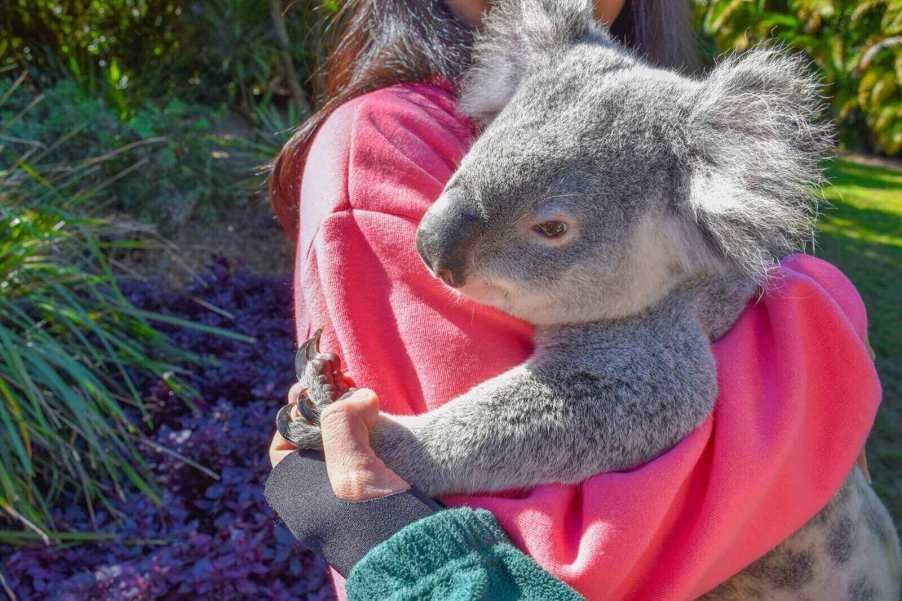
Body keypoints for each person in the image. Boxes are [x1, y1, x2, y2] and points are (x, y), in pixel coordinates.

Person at [265, 1, 881, 599]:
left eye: (551, 228)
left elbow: (638, 393)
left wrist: (407, 456)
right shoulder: (392, 142)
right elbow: (553, 559)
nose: (439, 243)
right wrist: (816, 348)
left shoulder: (669, 174)